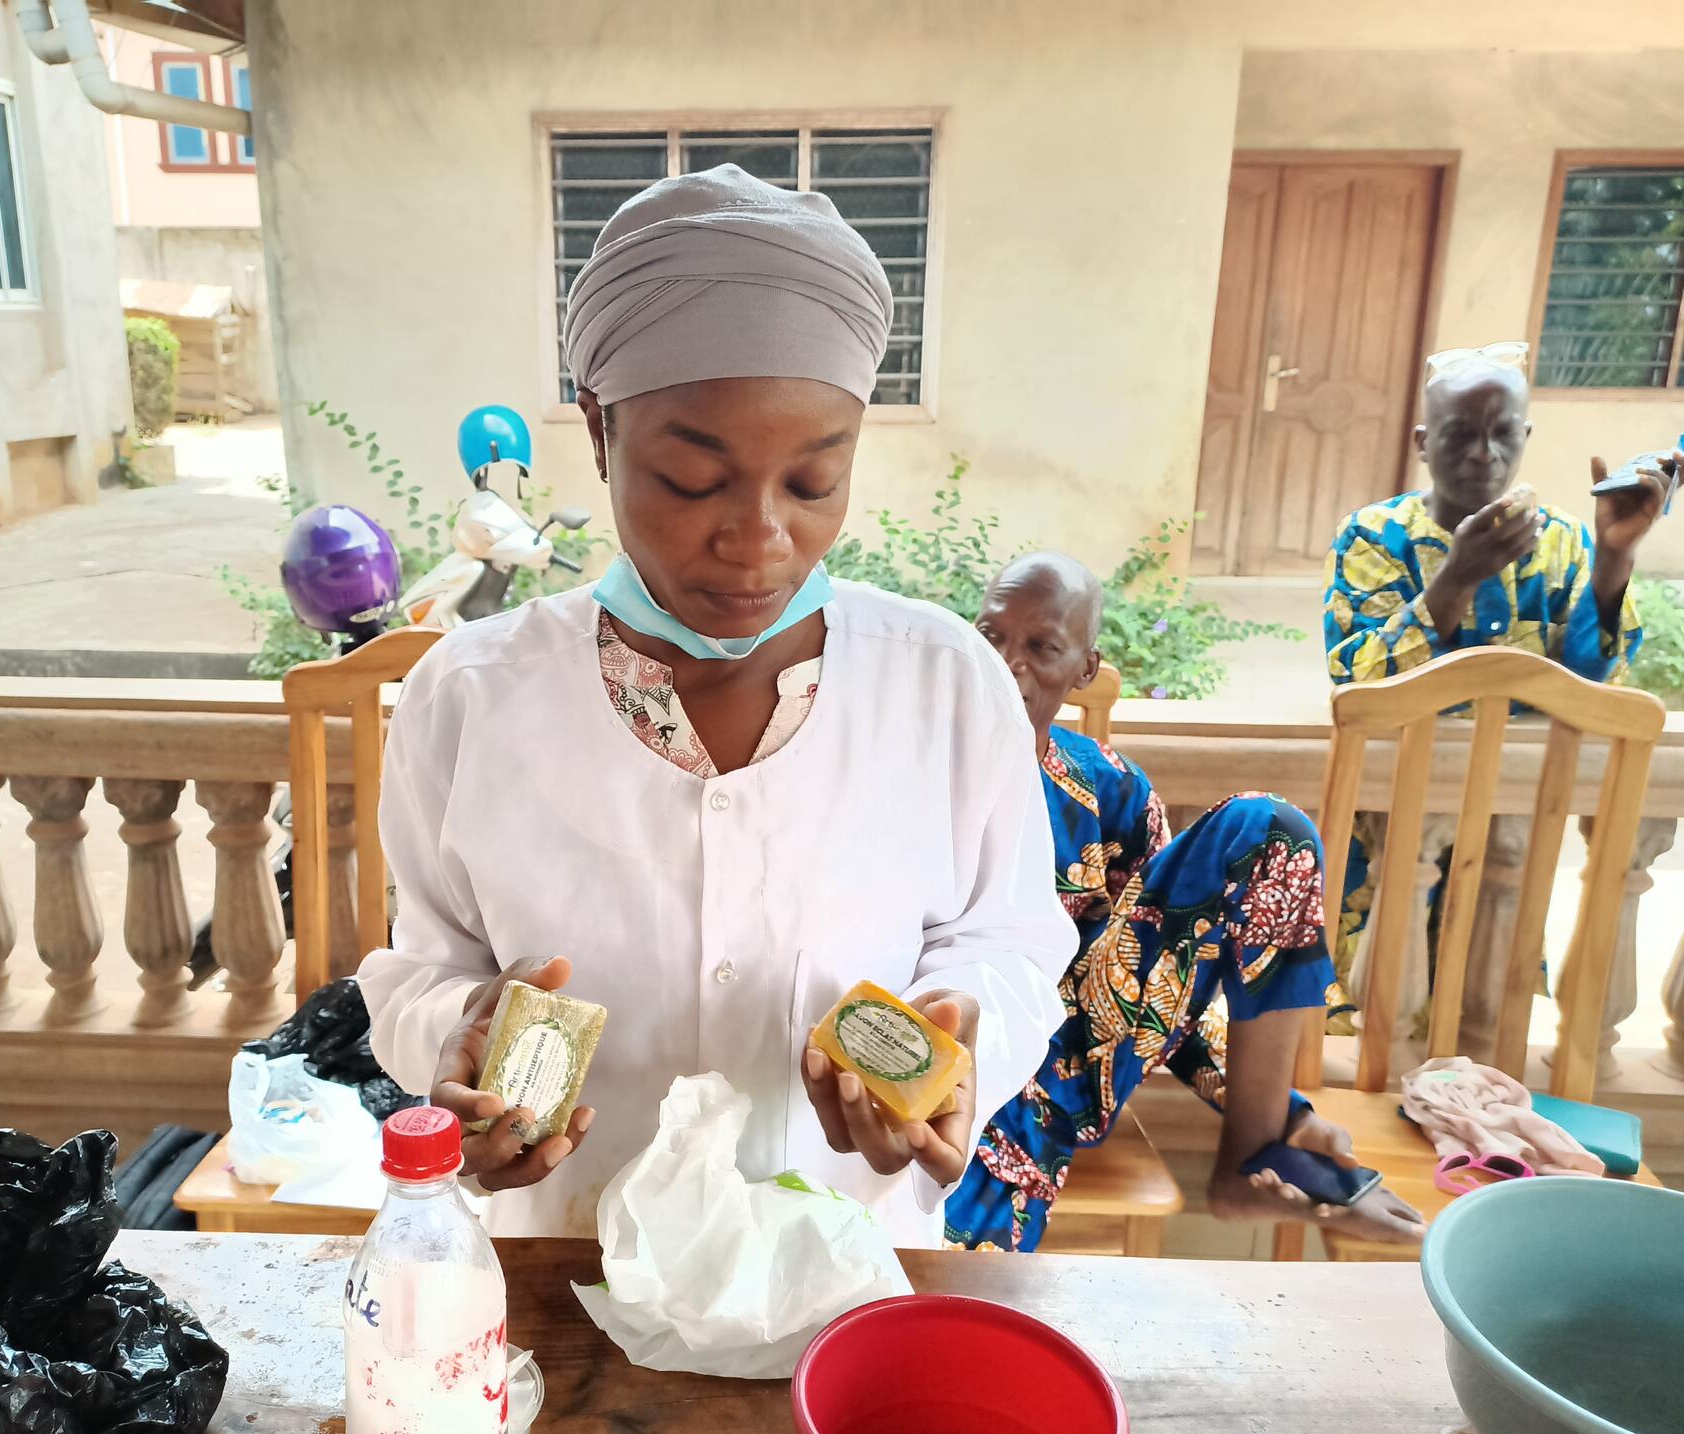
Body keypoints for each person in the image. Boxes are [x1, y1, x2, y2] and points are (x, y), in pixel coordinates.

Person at [357, 166, 1076, 1245]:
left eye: (810, 483)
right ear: (599, 433)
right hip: (570, 1269)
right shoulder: (465, 700)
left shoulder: (943, 683)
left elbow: (1011, 940)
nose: (755, 539)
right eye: (692, 482)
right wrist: (459, 1034)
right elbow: (421, 962)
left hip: (841, 1273)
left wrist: (964, 1036)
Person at [943, 553, 1426, 1251]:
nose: (1006, 664)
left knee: (1270, 832)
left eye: (1041, 646)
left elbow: (1163, 987)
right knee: (923, 1267)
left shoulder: (1110, 792)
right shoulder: (917, 771)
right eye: (990, 637)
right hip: (937, 1061)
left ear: (1085, 667)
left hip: (1049, 1077)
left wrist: (1280, 1116)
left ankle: (1250, 1154)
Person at [1323, 342, 1673, 974]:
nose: (1485, 453)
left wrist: (1615, 557)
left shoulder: (1564, 542)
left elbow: (1592, 686)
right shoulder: (1373, 537)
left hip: (1509, 829)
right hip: (1388, 828)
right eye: (1460, 434)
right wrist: (1454, 580)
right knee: (1372, 1005)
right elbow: (1358, 682)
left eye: (1503, 433)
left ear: (1526, 435)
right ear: (1423, 442)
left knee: (1483, 1001)